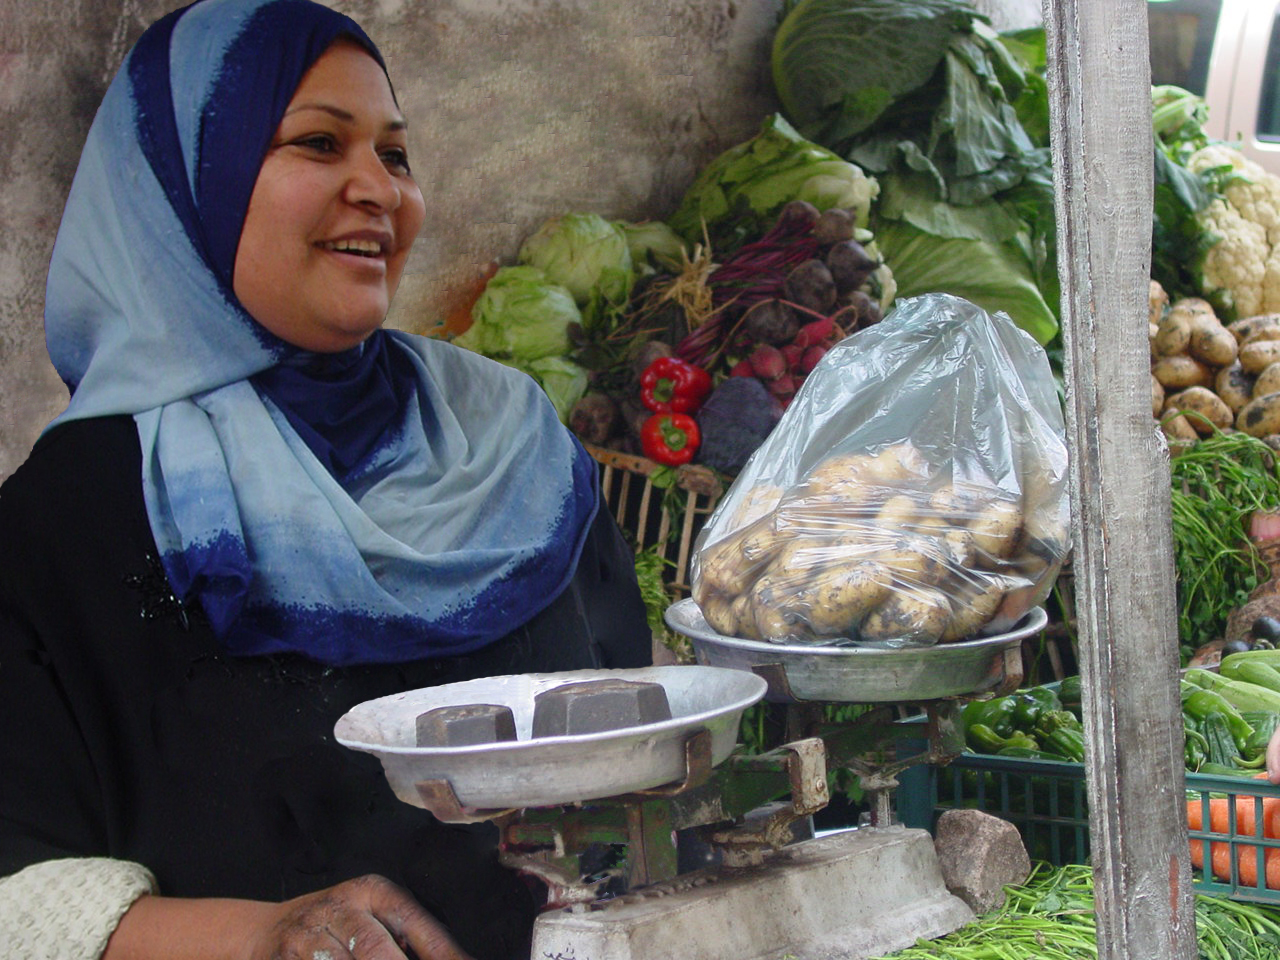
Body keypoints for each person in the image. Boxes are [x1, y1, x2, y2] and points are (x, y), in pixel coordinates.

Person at [0, 2, 652, 958]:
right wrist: (267, 937)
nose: (378, 190)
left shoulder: (513, 443)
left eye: (395, 156)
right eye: (317, 144)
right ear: (187, 189)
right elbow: (18, 886)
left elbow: (627, 716)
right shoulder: (76, 517)